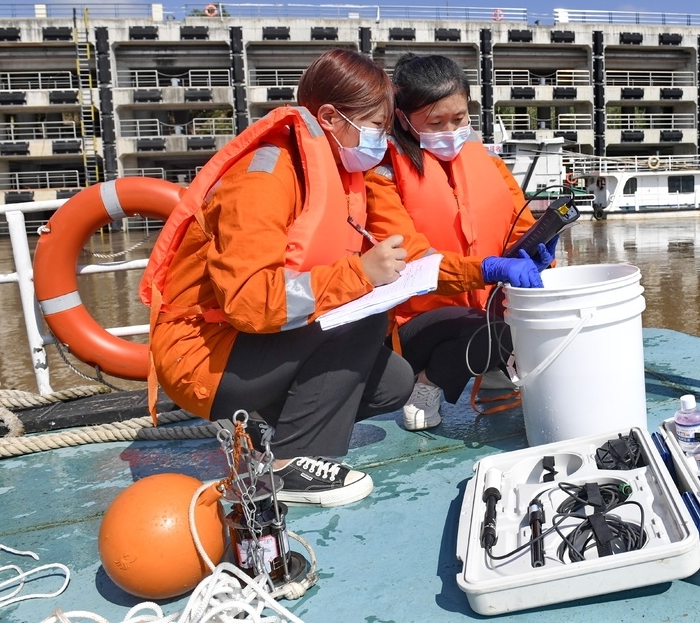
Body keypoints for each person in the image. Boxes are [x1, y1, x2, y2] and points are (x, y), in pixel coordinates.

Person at [140, 49, 414, 507]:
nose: (381, 141)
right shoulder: (263, 177)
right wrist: (360, 273)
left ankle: (270, 428)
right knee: (358, 315)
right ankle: (290, 465)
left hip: (257, 344)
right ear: (329, 117)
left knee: (395, 382)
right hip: (205, 354)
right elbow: (247, 302)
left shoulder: (329, 172)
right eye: (374, 126)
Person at [364, 53, 555, 431]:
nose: (451, 130)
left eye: (460, 118)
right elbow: (413, 258)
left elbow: (520, 224)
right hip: (417, 320)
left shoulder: (489, 162)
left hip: (485, 308)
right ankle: (427, 383)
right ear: (402, 118)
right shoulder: (382, 173)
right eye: (435, 122)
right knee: (490, 330)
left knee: (538, 314)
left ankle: (500, 371)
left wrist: (538, 249)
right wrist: (487, 269)